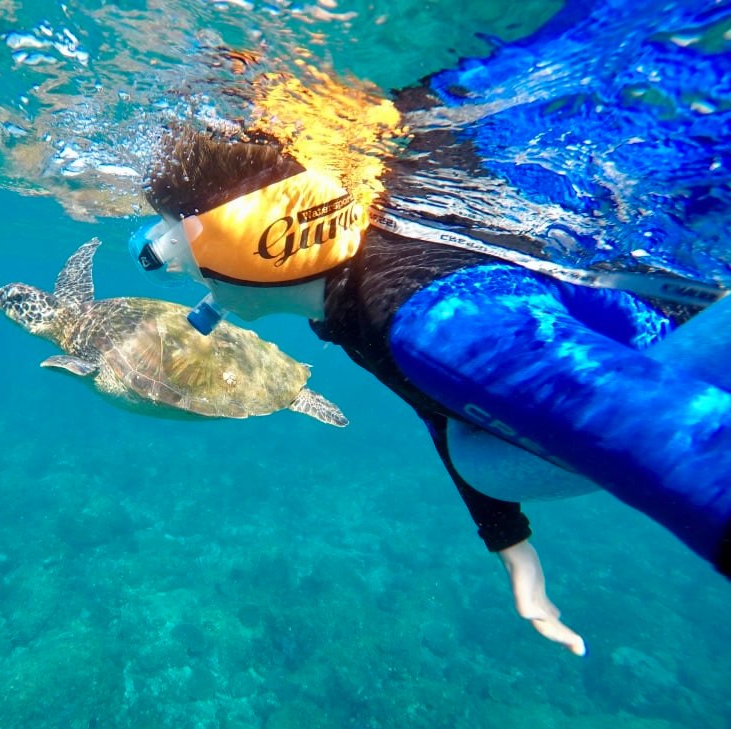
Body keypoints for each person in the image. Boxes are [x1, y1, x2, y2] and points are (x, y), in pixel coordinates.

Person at [129, 125, 731, 656]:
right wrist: (514, 552)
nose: (179, 272)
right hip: (602, 372)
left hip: (678, 352)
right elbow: (437, 408)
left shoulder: (436, 326)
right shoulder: (354, 297)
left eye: (175, 248)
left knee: (486, 463)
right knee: (479, 461)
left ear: (257, 240)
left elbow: (685, 444)